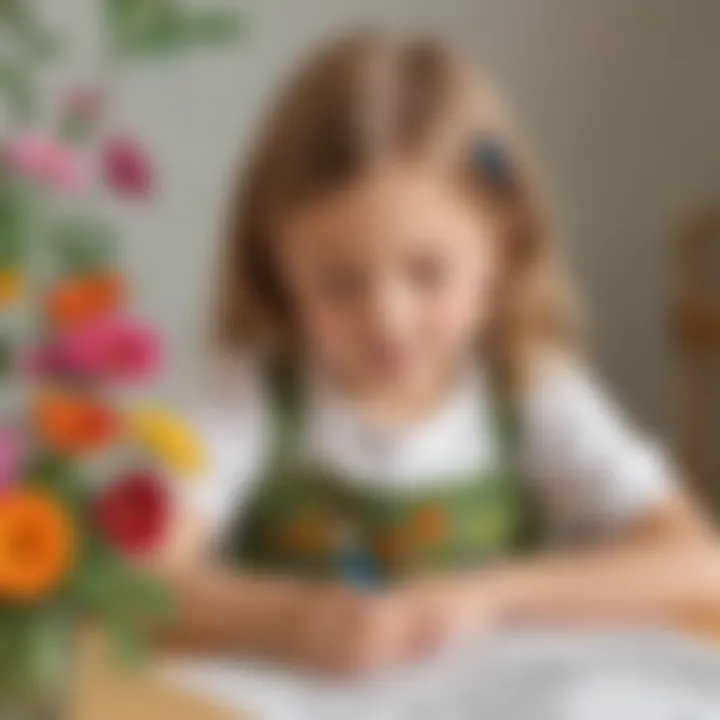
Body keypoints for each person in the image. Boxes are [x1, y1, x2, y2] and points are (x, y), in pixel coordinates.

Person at [159, 31, 719, 675]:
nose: (387, 322)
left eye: (427, 274)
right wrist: (293, 619)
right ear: (276, 268)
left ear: (502, 249)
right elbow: (137, 579)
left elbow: (700, 564)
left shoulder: (525, 384)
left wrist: (484, 599)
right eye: (339, 284)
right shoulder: (253, 389)